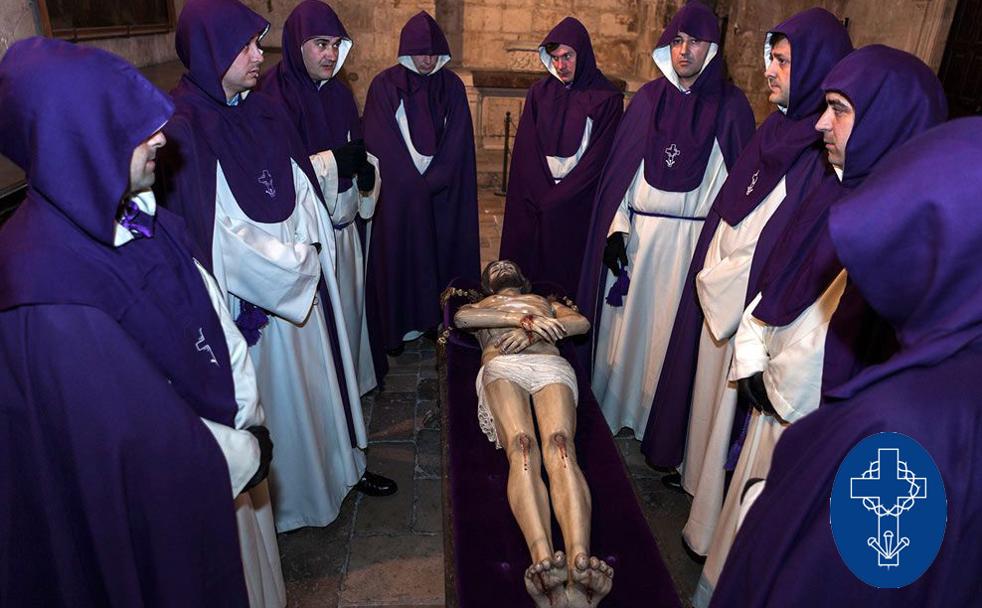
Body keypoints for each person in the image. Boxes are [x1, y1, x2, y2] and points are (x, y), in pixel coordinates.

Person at [0, 37, 270, 606]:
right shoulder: (46, 293)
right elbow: (140, 442)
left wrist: (244, 405)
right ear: (79, 141)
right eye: (133, 127)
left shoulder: (136, 214)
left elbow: (205, 310)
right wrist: (244, 450)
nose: (162, 139)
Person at [691, 45, 947, 608]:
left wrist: (773, 369)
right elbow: (779, 274)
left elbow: (844, 327)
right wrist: (757, 351)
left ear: (887, 117)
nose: (822, 122)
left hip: (812, 409)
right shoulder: (836, 184)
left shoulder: (900, 220)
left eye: (839, 109)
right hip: (779, 387)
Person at [156, 0, 394, 539]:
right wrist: (299, 266)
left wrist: (314, 243)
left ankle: (341, 472)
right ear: (212, 51)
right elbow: (211, 233)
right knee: (283, 400)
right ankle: (296, 501)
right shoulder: (184, 125)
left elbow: (300, 185)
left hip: (302, 282)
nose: (257, 54)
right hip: (258, 303)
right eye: (244, 46)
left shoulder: (261, 108)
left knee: (321, 387)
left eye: (257, 43)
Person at [576, 0, 755, 438]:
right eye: (676, 41)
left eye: (695, 42)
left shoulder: (732, 109)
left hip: (690, 248)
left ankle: (658, 424)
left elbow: (739, 197)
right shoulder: (647, 101)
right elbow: (619, 177)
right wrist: (616, 229)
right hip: (640, 239)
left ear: (711, 49)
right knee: (627, 334)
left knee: (666, 341)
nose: (684, 51)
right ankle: (617, 410)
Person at [454, 260, 613, 608]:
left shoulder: (544, 301)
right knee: (521, 447)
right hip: (503, 366)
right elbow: (462, 320)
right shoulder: (481, 306)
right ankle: (543, 562)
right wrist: (521, 320)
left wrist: (533, 331)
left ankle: (579, 563)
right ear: (486, 284)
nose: (501, 268)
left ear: (523, 279)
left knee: (560, 446)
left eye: (507, 265)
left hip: (548, 364)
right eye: (494, 269)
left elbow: (580, 323)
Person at [258, 0, 381, 395]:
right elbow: (277, 172)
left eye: (335, 45)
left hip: (343, 231)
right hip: (308, 241)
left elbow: (354, 147)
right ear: (298, 44)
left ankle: (350, 388)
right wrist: (333, 163)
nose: (330, 54)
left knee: (348, 315)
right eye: (320, 44)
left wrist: (366, 168)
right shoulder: (274, 96)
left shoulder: (340, 93)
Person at [363, 11, 479, 375]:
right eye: (419, 52)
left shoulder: (453, 87)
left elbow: (458, 141)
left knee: (440, 254)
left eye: (432, 53)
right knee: (401, 256)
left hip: (441, 194)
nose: (427, 60)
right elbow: (380, 139)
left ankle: (435, 320)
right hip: (400, 195)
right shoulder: (384, 86)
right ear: (405, 51)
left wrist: (434, 181)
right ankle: (397, 327)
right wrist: (411, 187)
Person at [499, 17, 623, 296]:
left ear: (583, 53)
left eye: (567, 56)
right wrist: (540, 193)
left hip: (577, 201)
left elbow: (598, 159)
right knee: (530, 276)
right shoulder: (539, 93)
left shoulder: (606, 98)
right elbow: (526, 150)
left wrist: (559, 198)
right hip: (537, 196)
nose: (561, 65)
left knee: (565, 280)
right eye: (555, 58)